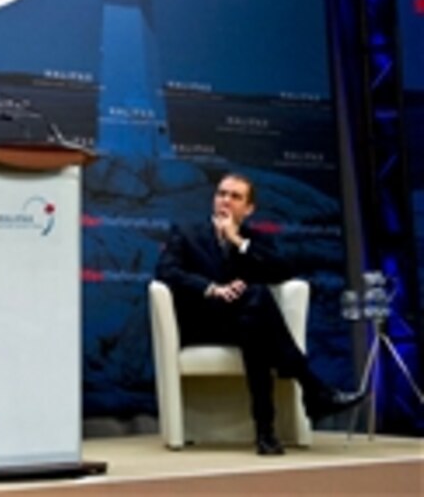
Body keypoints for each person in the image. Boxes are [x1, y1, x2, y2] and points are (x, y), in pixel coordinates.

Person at [155, 172, 365, 455]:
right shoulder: (187, 233)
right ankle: (310, 393)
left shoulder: (254, 240)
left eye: (235, 196)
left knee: (254, 318)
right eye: (221, 194)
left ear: (249, 209)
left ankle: (268, 433)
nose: (225, 201)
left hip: (243, 323)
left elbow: (283, 270)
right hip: (201, 323)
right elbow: (166, 272)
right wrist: (212, 288)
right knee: (257, 300)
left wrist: (237, 241)